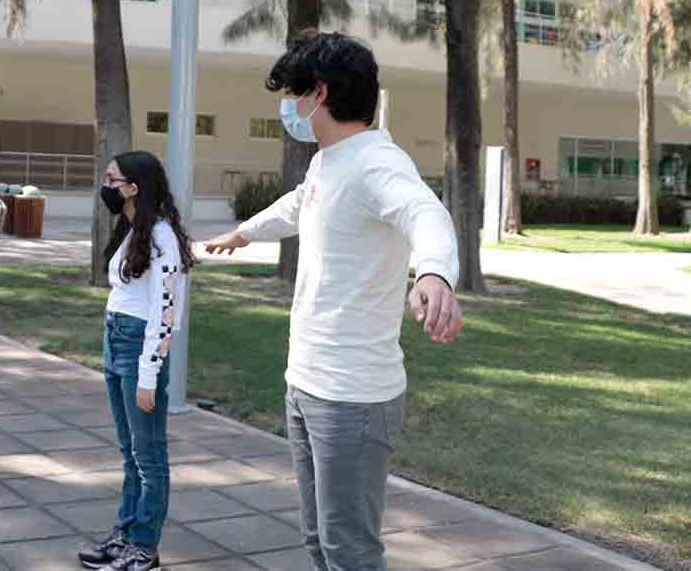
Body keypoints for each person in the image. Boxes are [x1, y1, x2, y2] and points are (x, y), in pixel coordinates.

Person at [205, 31, 464, 571]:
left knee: (349, 550)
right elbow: (299, 205)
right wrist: (244, 233)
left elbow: (426, 214)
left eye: (292, 93)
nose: (288, 107)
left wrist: (435, 274)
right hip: (306, 384)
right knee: (318, 541)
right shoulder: (330, 161)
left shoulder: (376, 163)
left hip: (351, 400)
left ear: (317, 93)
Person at [76, 151, 195, 571]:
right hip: (117, 340)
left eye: (112, 179)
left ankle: (144, 547)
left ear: (133, 187)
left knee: (149, 456)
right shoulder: (134, 228)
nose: (105, 187)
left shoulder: (162, 236)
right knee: (130, 452)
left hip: (138, 349)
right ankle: (125, 534)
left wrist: (148, 374)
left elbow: (165, 311)